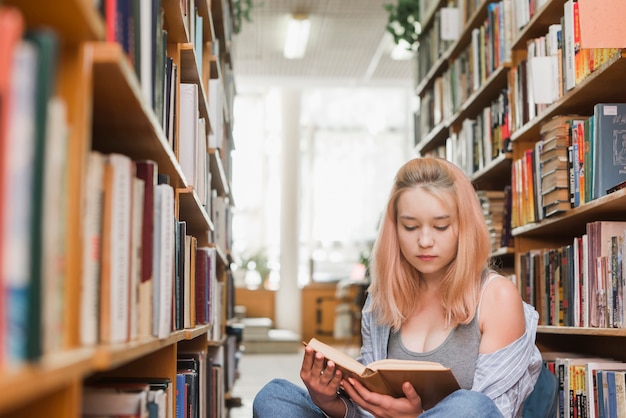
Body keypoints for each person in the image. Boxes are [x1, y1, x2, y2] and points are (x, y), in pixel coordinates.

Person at [253, 157, 543, 418]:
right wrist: (330, 402)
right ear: (394, 229)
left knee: (469, 405)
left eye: (441, 227)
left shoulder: (497, 296)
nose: (425, 241)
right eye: (410, 226)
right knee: (275, 396)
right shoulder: (382, 300)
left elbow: (493, 412)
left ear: (464, 228)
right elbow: (368, 408)